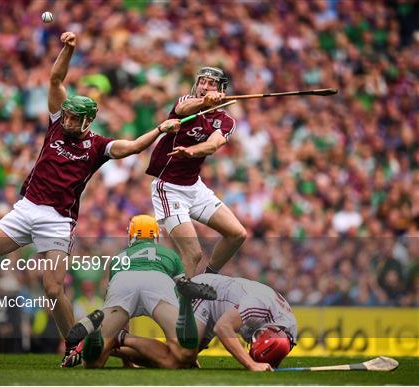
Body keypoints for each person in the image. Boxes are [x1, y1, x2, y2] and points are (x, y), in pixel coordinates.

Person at [0, 32, 181, 363]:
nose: (68, 119)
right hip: (25, 209)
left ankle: (75, 348)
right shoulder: (56, 125)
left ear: (88, 120)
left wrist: (159, 130)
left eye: (75, 117)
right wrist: (68, 48)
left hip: (58, 221)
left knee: (53, 289)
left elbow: (131, 147)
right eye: (67, 115)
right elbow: (56, 78)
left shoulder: (98, 146)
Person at [62, 214, 216, 368]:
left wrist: (127, 362)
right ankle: (122, 339)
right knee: (183, 355)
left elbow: (123, 321)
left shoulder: (118, 257)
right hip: (158, 281)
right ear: (156, 235)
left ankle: (102, 337)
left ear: (131, 235)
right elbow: (182, 292)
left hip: (123, 280)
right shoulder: (170, 254)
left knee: (93, 364)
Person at [146, 67, 247, 277]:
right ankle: (183, 307)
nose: (204, 86)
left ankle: (209, 277)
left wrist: (190, 151)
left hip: (195, 188)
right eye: (202, 82)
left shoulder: (226, 121)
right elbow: (182, 109)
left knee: (237, 234)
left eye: (210, 83)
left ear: (221, 89)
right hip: (169, 188)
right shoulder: (187, 102)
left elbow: (212, 146)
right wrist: (204, 102)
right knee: (193, 254)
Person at [116, 273, 297, 371]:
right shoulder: (259, 304)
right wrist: (251, 364)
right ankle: (119, 338)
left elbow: (274, 350)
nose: (254, 338)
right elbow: (223, 327)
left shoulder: (288, 332)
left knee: (180, 363)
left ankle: (110, 346)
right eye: (257, 337)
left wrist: (267, 363)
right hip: (206, 295)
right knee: (179, 358)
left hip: (220, 306)